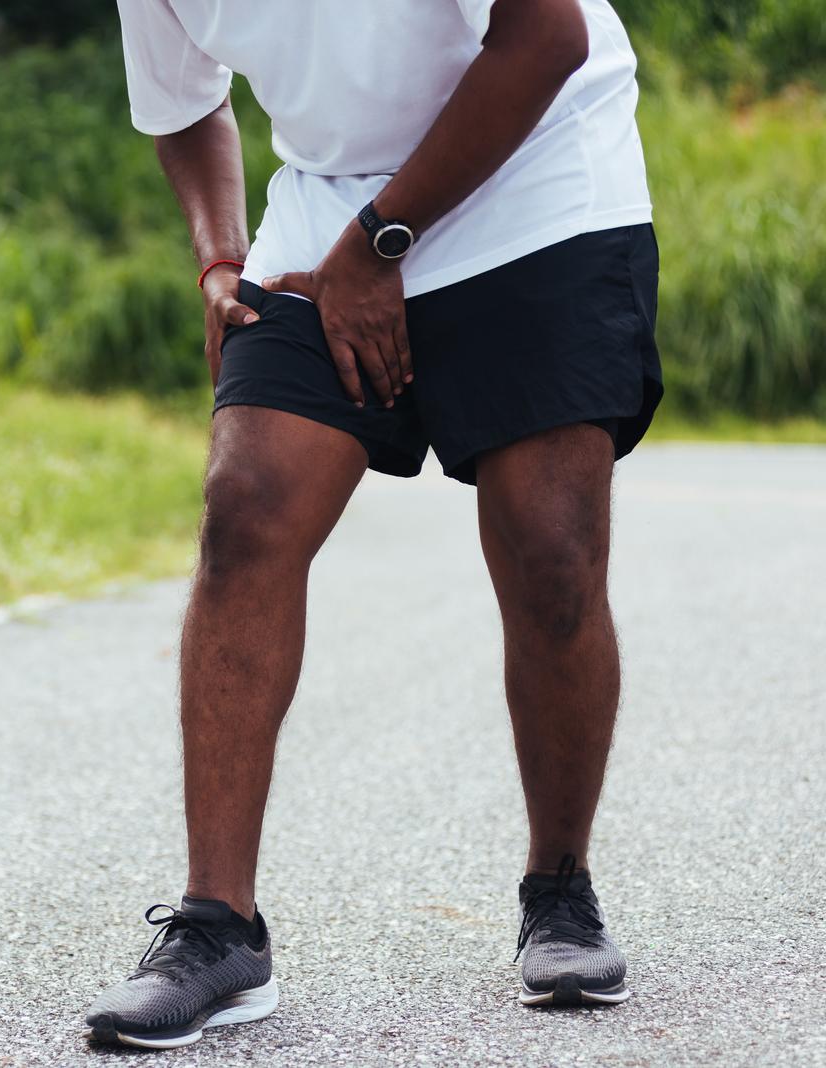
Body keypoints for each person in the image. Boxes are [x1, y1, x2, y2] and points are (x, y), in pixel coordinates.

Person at [87, 0, 660, 1050]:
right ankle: (218, 929)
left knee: (550, 550)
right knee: (247, 508)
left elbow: (548, 37)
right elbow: (180, 103)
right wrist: (220, 258)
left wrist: (379, 246)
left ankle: (560, 891)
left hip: (537, 177)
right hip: (328, 202)